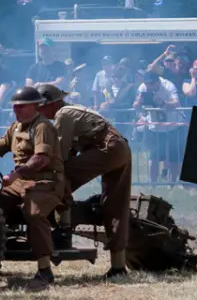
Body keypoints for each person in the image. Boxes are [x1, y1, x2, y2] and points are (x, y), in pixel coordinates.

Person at [35, 84, 132, 279]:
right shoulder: (71, 112)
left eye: (39, 107)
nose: (38, 111)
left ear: (50, 104)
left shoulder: (63, 114)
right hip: (120, 149)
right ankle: (118, 267)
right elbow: (70, 151)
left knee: (61, 177)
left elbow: (60, 158)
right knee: (115, 206)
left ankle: (63, 231)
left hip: (108, 148)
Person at [0, 86, 64, 286]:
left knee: (33, 213)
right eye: (15, 106)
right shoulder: (16, 127)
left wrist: (15, 174)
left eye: (22, 107)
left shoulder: (42, 127)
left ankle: (45, 270)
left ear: (35, 106)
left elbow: (41, 159)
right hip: (20, 183)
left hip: (46, 181)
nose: (17, 110)